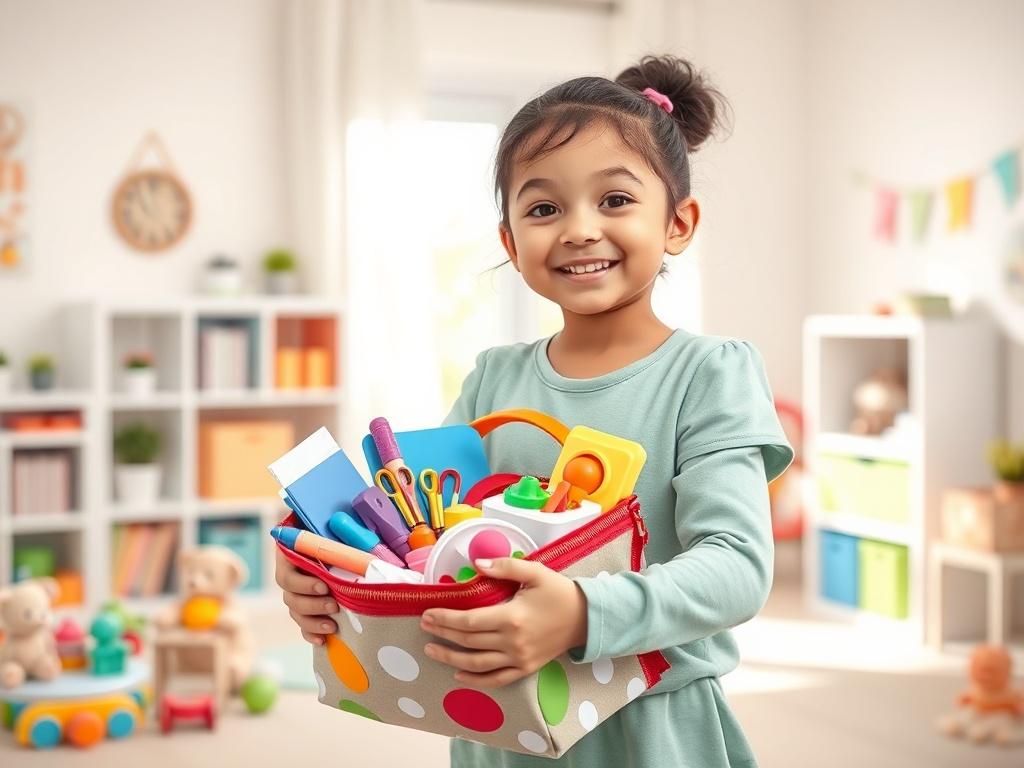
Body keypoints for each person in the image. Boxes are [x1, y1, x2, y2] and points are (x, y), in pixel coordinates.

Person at [276, 54, 794, 768]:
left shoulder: (711, 374)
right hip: (500, 729)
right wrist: (332, 582)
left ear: (678, 223)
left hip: (652, 732)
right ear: (510, 243)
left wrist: (584, 614)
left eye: (614, 200)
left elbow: (736, 567)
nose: (579, 230)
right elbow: (422, 547)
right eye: (544, 208)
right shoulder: (494, 380)